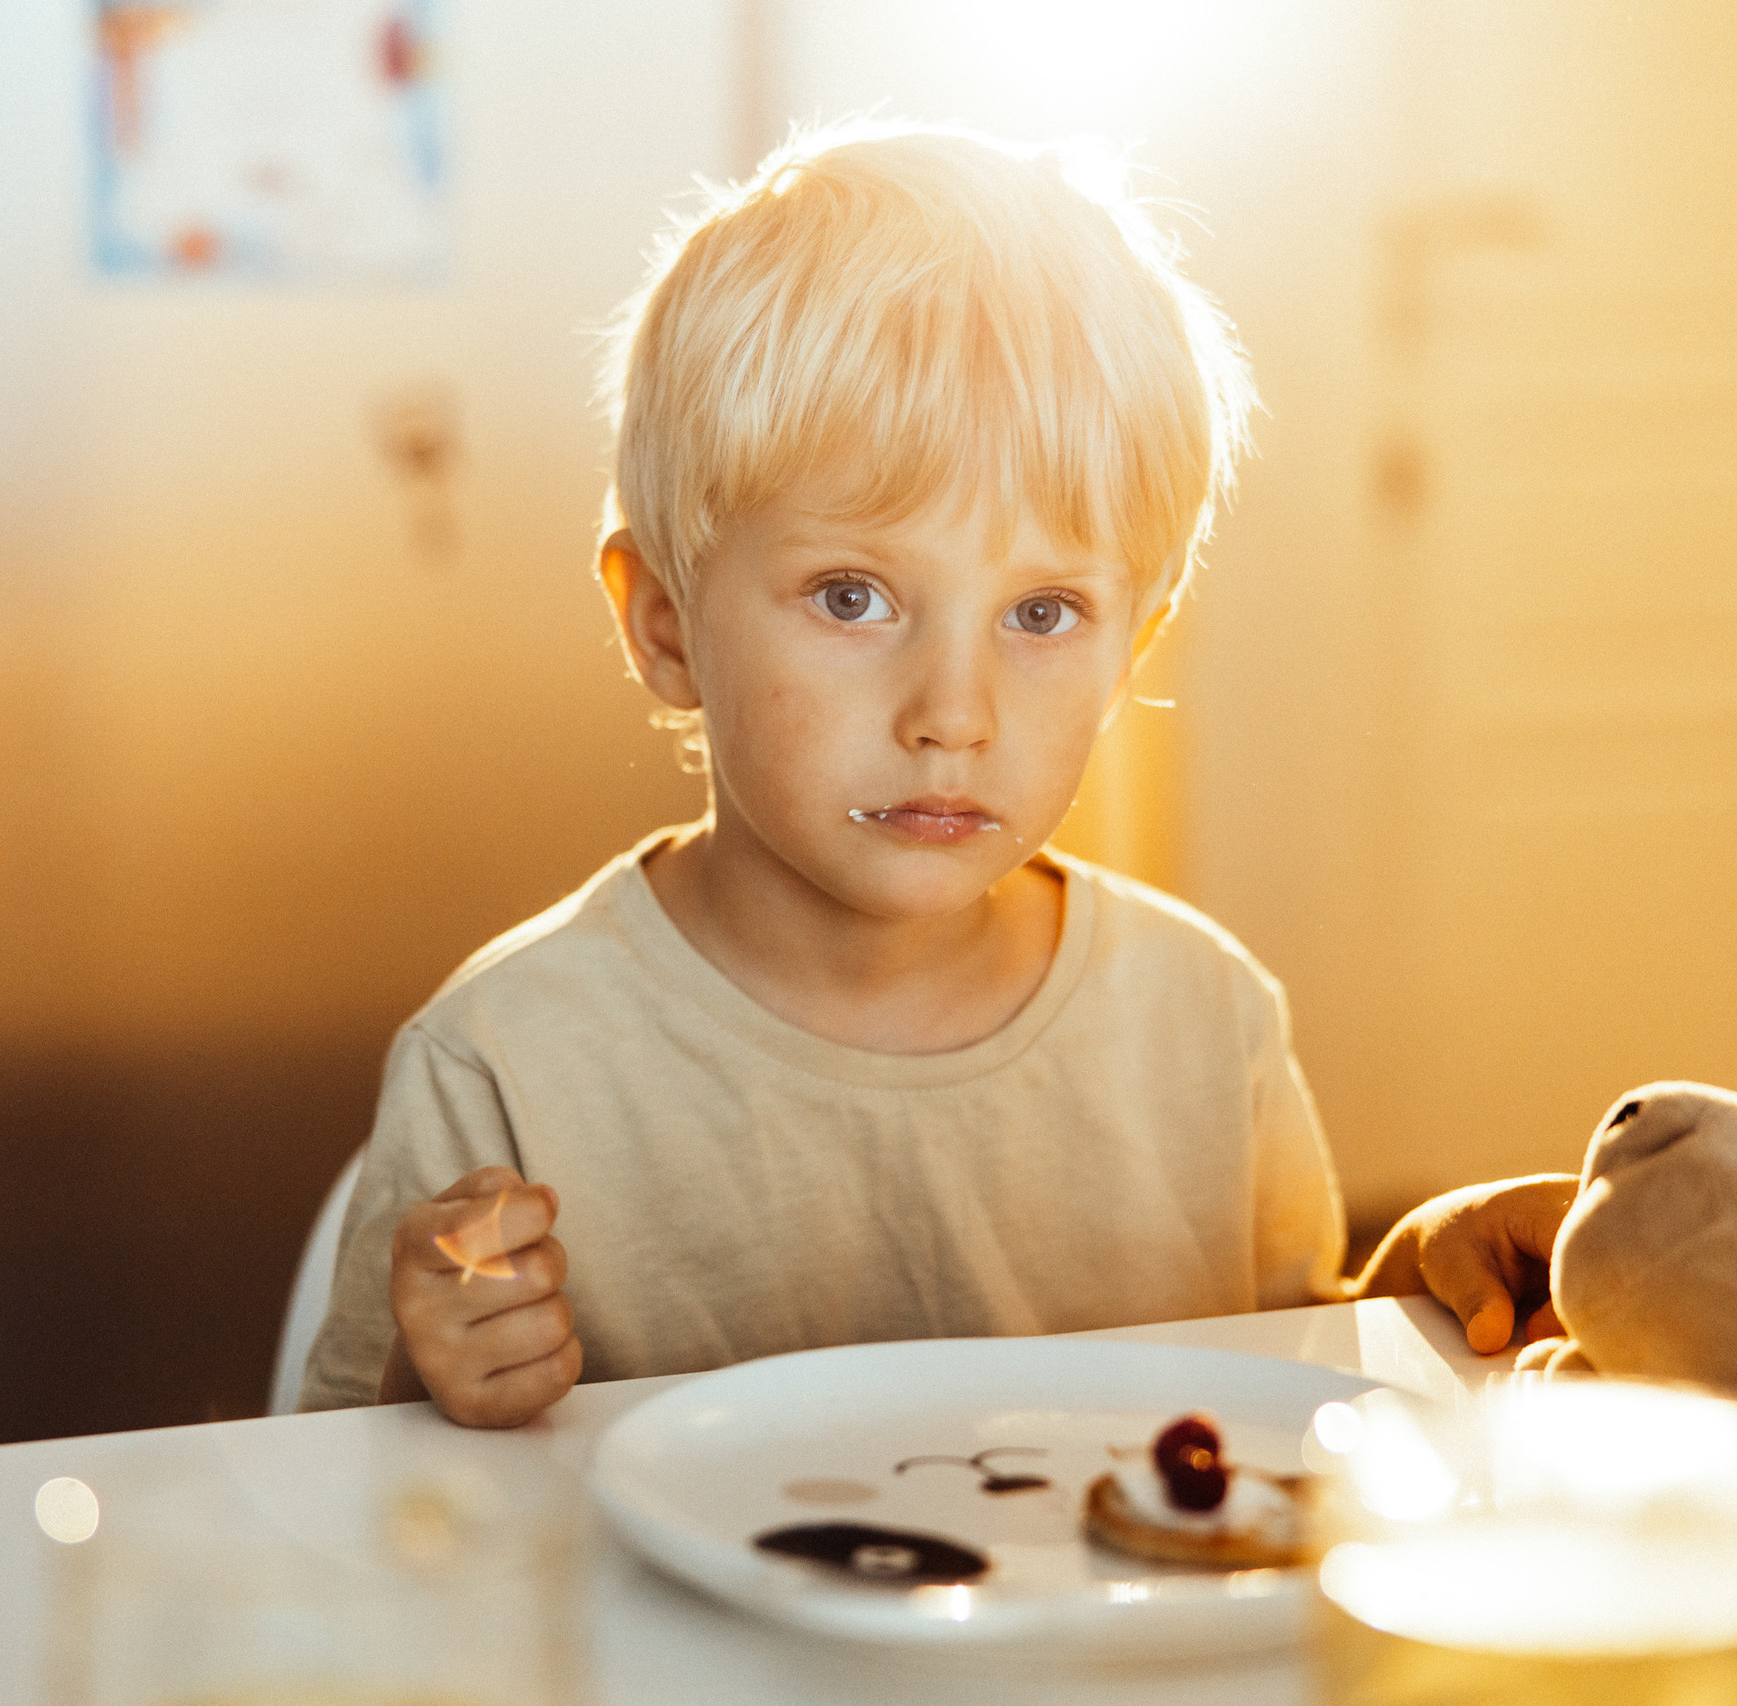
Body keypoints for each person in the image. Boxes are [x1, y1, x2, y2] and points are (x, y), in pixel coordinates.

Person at [297, 122, 1575, 1424]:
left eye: (1041, 614)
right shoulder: (504, 1063)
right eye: (852, 596)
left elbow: (1284, 1396)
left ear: (1134, 644)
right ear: (666, 623)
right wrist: (436, 1373)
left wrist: (1418, 1287)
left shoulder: (1207, 1025)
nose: (953, 713)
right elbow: (337, 1517)